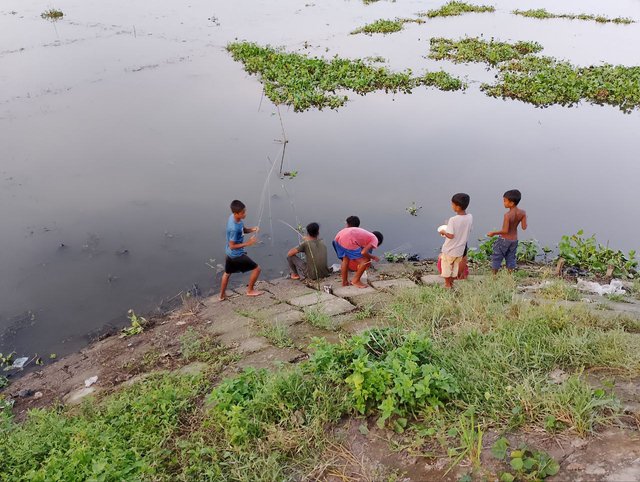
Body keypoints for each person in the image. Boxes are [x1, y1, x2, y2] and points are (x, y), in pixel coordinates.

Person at [219, 200, 262, 300]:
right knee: (257, 269)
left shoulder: (234, 218)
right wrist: (248, 243)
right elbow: (232, 246)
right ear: (236, 213)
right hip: (236, 255)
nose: (245, 214)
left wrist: (252, 229)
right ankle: (250, 290)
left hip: (229, 254)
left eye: (245, 211)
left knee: (227, 273)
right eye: (243, 213)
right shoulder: (233, 228)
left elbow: (243, 229)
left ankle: (221, 296)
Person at [487, 189, 527, 273]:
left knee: (497, 257)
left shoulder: (507, 215)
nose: (503, 203)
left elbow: (505, 231)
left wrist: (494, 233)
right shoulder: (523, 213)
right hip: (514, 240)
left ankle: (494, 276)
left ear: (511, 203)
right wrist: (525, 218)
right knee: (511, 257)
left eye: (505, 201)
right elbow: (524, 227)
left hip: (504, 240)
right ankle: (510, 275)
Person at [438, 193, 473, 289]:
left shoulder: (453, 220)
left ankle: (447, 285)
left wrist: (443, 232)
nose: (452, 206)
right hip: (460, 250)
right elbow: (467, 229)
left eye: (452, 204)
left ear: (457, 206)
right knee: (455, 267)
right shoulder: (469, 217)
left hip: (450, 249)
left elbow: (451, 235)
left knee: (446, 267)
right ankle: (452, 283)